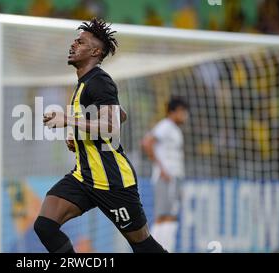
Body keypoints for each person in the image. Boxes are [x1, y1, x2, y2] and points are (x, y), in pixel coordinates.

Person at [34, 18, 166, 253]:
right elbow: (120, 115)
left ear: (95, 51)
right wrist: (78, 133)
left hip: (113, 180)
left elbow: (112, 126)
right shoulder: (84, 83)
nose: (73, 44)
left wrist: (67, 120)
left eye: (81, 42)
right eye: (75, 40)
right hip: (84, 177)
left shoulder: (100, 80)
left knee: (142, 244)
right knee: (45, 225)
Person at [141, 97, 189, 252]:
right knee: (166, 216)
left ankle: (160, 249)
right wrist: (161, 168)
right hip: (167, 177)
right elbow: (147, 142)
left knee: (167, 216)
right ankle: (160, 249)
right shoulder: (165, 126)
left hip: (173, 177)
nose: (185, 115)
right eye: (182, 111)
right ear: (173, 111)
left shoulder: (174, 129)